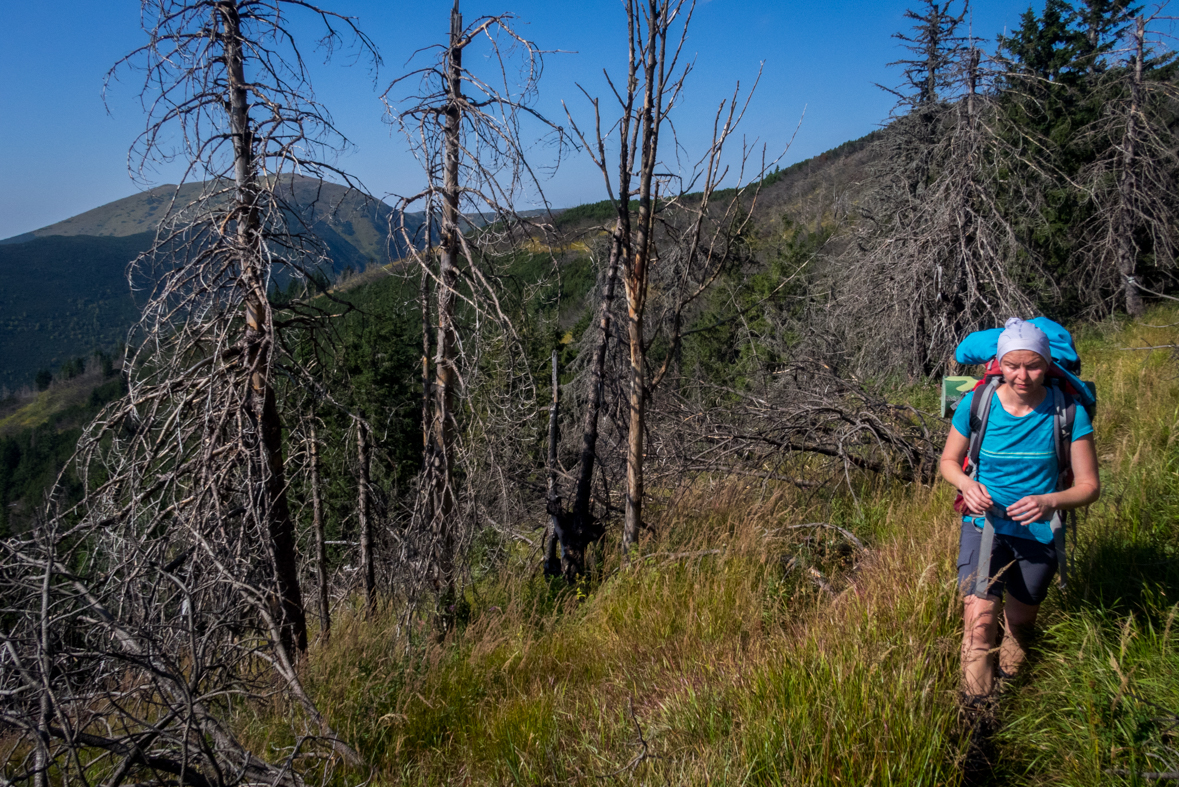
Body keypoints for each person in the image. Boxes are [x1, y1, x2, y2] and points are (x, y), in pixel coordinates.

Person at [939, 318, 1100, 702]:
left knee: (1020, 624)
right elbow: (948, 461)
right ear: (998, 364)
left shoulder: (1069, 414)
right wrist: (966, 484)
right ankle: (977, 713)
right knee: (978, 627)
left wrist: (1051, 501)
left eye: (1033, 365)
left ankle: (1010, 691)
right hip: (984, 525)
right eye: (1013, 365)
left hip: (1039, 532)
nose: (1022, 375)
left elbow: (1089, 487)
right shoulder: (976, 404)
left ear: (1047, 365)